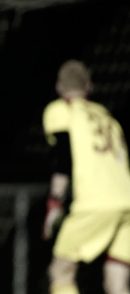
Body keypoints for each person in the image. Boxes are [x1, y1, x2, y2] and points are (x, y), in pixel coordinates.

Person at [41, 59, 130, 294]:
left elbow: (63, 158)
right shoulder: (108, 117)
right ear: (89, 86)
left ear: (60, 87)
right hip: (127, 204)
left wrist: (55, 202)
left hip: (94, 204)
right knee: (117, 283)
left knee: (61, 271)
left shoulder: (62, 109)